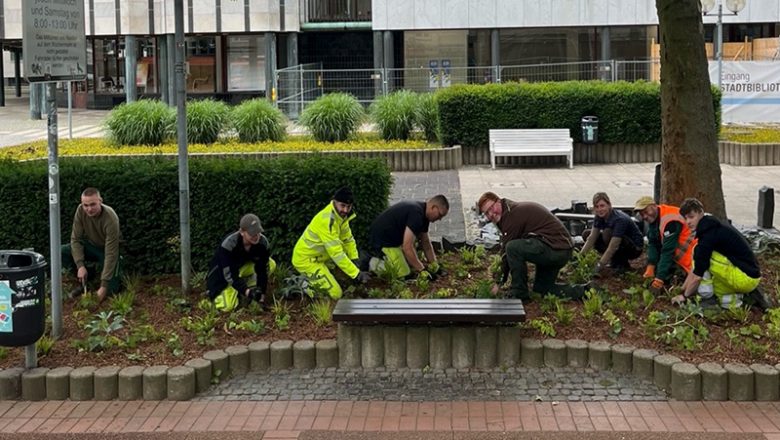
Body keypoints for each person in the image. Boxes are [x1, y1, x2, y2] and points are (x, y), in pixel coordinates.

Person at [674, 198, 772, 310]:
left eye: (691, 217)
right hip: (750, 277)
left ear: (701, 212)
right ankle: (732, 303)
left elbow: (697, 274)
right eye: (685, 218)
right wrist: (682, 288)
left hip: (743, 278)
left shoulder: (707, 238)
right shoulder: (714, 226)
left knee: (698, 253)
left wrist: (684, 296)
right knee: (713, 277)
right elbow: (695, 268)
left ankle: (706, 296)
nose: (688, 222)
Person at [477, 192, 573, 300]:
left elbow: (506, 254)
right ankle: (584, 290)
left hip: (556, 250)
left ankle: (519, 292)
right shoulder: (507, 210)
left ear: (498, 201)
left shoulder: (511, 216)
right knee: (543, 289)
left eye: (491, 207)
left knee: (512, 248)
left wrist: (498, 282)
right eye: (487, 212)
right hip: (557, 247)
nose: (491, 214)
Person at [292, 187, 368, 299]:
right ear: (334, 202)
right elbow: (336, 253)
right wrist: (356, 274)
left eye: (349, 207)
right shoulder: (327, 221)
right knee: (335, 294)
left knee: (342, 275)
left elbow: (348, 240)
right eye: (343, 206)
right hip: (306, 260)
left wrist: (354, 259)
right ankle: (300, 284)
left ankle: (320, 278)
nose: (346, 210)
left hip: (321, 258)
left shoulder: (341, 217)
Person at [61, 187, 122, 302]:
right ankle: (85, 280)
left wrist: (103, 287)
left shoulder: (110, 218)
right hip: (92, 246)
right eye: (85, 205)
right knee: (62, 251)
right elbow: (75, 239)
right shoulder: (80, 211)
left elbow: (111, 252)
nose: (89, 209)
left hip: (108, 250)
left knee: (111, 292)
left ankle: (103, 283)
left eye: (93, 204)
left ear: (100, 201)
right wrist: (80, 266)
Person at [367, 195, 449, 279]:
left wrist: (435, 266)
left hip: (394, 241)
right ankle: (374, 264)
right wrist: (422, 270)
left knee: (411, 263)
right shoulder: (417, 215)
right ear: (433, 207)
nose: (440, 219)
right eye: (440, 215)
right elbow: (407, 247)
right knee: (404, 274)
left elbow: (426, 243)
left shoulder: (423, 215)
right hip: (383, 241)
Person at [206, 214, 272, 312]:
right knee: (228, 307)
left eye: (258, 232)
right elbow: (229, 274)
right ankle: (209, 300)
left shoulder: (263, 243)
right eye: (252, 233)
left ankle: (250, 288)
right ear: (242, 232)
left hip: (241, 269)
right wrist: (247, 292)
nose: (256, 236)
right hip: (223, 276)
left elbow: (262, 270)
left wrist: (261, 297)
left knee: (271, 264)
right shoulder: (228, 245)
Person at [634, 196, 696, 292]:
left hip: (691, 256)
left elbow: (668, 251)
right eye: (642, 214)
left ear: (654, 206)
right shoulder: (654, 218)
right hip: (680, 256)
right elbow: (653, 243)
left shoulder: (670, 220)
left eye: (646, 212)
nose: (644, 217)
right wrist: (651, 265)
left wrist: (659, 278)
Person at [580, 192, 644, 276]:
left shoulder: (619, 219)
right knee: (586, 234)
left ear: (609, 205)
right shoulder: (599, 217)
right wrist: (580, 257)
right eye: (597, 207)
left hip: (634, 248)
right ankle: (614, 260)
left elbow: (614, 245)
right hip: (616, 241)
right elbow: (592, 237)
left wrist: (600, 265)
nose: (600, 209)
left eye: (602, 206)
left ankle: (621, 264)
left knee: (607, 233)